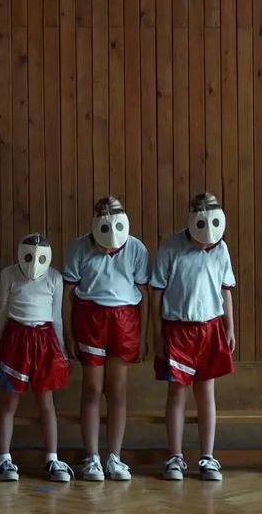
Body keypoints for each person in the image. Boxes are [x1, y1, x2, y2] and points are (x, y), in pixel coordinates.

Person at [151, 192, 237, 482]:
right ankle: (175, 457)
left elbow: (225, 289)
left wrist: (229, 327)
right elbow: (156, 292)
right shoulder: (170, 248)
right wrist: (158, 334)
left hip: (210, 327)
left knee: (206, 392)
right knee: (177, 392)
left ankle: (207, 457)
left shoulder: (221, 249)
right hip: (178, 328)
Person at [63, 197, 150, 482]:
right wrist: (67, 333)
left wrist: (143, 333)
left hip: (124, 320)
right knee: (91, 387)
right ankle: (91, 457)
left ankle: (114, 456)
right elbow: (68, 295)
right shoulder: (78, 248)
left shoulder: (136, 248)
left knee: (117, 390)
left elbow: (144, 294)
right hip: (90, 319)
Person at [0, 234, 73, 483]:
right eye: (29, 256)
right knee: (9, 402)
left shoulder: (55, 278)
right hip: (15, 339)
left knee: (46, 403)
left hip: (45, 341)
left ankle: (52, 458)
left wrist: (62, 350)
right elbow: (2, 312)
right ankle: (4, 458)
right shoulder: (8, 275)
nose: (34, 262)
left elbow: (57, 317)